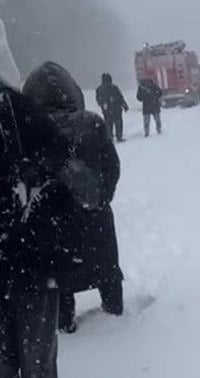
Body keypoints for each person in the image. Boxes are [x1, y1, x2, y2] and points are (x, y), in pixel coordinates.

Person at [0, 67, 99, 376]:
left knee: (31, 361)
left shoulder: (18, 111)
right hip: (33, 263)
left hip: (31, 263)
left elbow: (86, 190)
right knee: (31, 361)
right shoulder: (20, 109)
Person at [22, 62, 123, 334]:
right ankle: (114, 309)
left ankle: (65, 322)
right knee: (106, 267)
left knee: (59, 280)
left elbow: (23, 178)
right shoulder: (92, 123)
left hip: (51, 227)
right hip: (94, 218)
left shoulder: (29, 131)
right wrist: (100, 199)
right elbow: (112, 167)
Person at [96, 73, 129, 142]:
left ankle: (109, 137)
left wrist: (102, 104)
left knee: (108, 123)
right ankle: (119, 136)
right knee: (118, 122)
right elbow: (120, 97)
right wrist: (124, 105)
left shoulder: (99, 89)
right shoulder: (114, 87)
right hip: (116, 108)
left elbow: (98, 99)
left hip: (106, 109)